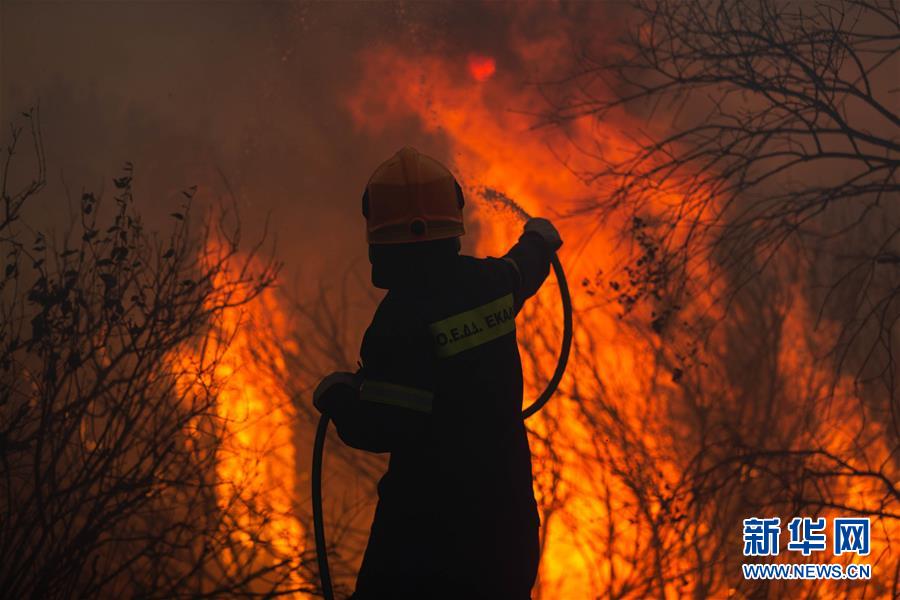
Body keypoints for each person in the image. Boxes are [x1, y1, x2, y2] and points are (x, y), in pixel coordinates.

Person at [313, 147, 562, 599]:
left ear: (378, 236)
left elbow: (385, 425)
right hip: (506, 526)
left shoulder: (398, 323)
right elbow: (522, 270)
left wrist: (338, 398)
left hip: (426, 539)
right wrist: (540, 241)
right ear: (454, 218)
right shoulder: (488, 283)